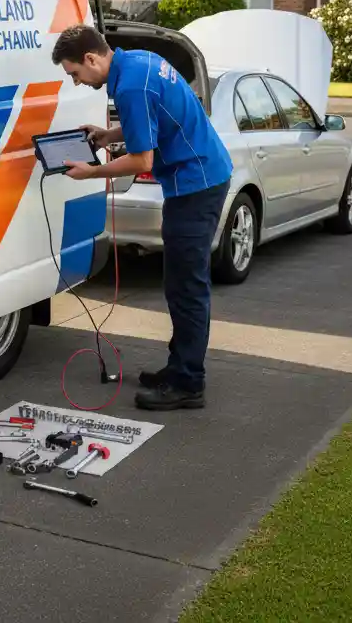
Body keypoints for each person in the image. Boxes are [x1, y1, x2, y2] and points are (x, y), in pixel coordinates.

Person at [50, 24, 233, 411]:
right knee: (179, 284)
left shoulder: (130, 86)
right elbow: (154, 119)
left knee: (187, 288)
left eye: (75, 74)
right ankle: (179, 367)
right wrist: (109, 135)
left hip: (195, 185)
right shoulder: (138, 61)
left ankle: (188, 383)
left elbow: (142, 159)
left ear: (91, 58)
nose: (78, 83)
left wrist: (91, 171)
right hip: (202, 176)